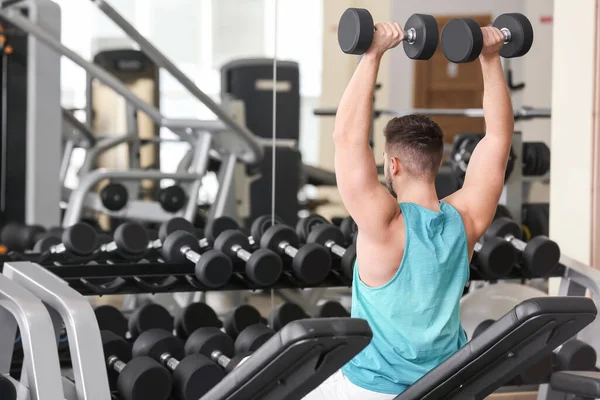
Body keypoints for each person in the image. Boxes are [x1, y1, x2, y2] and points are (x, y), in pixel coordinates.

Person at [303, 22, 513, 400]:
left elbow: (347, 138)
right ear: (437, 161)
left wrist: (372, 54)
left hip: (371, 390)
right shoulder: (465, 220)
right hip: (443, 386)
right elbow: (498, 136)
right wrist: (490, 57)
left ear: (393, 166)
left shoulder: (384, 223)